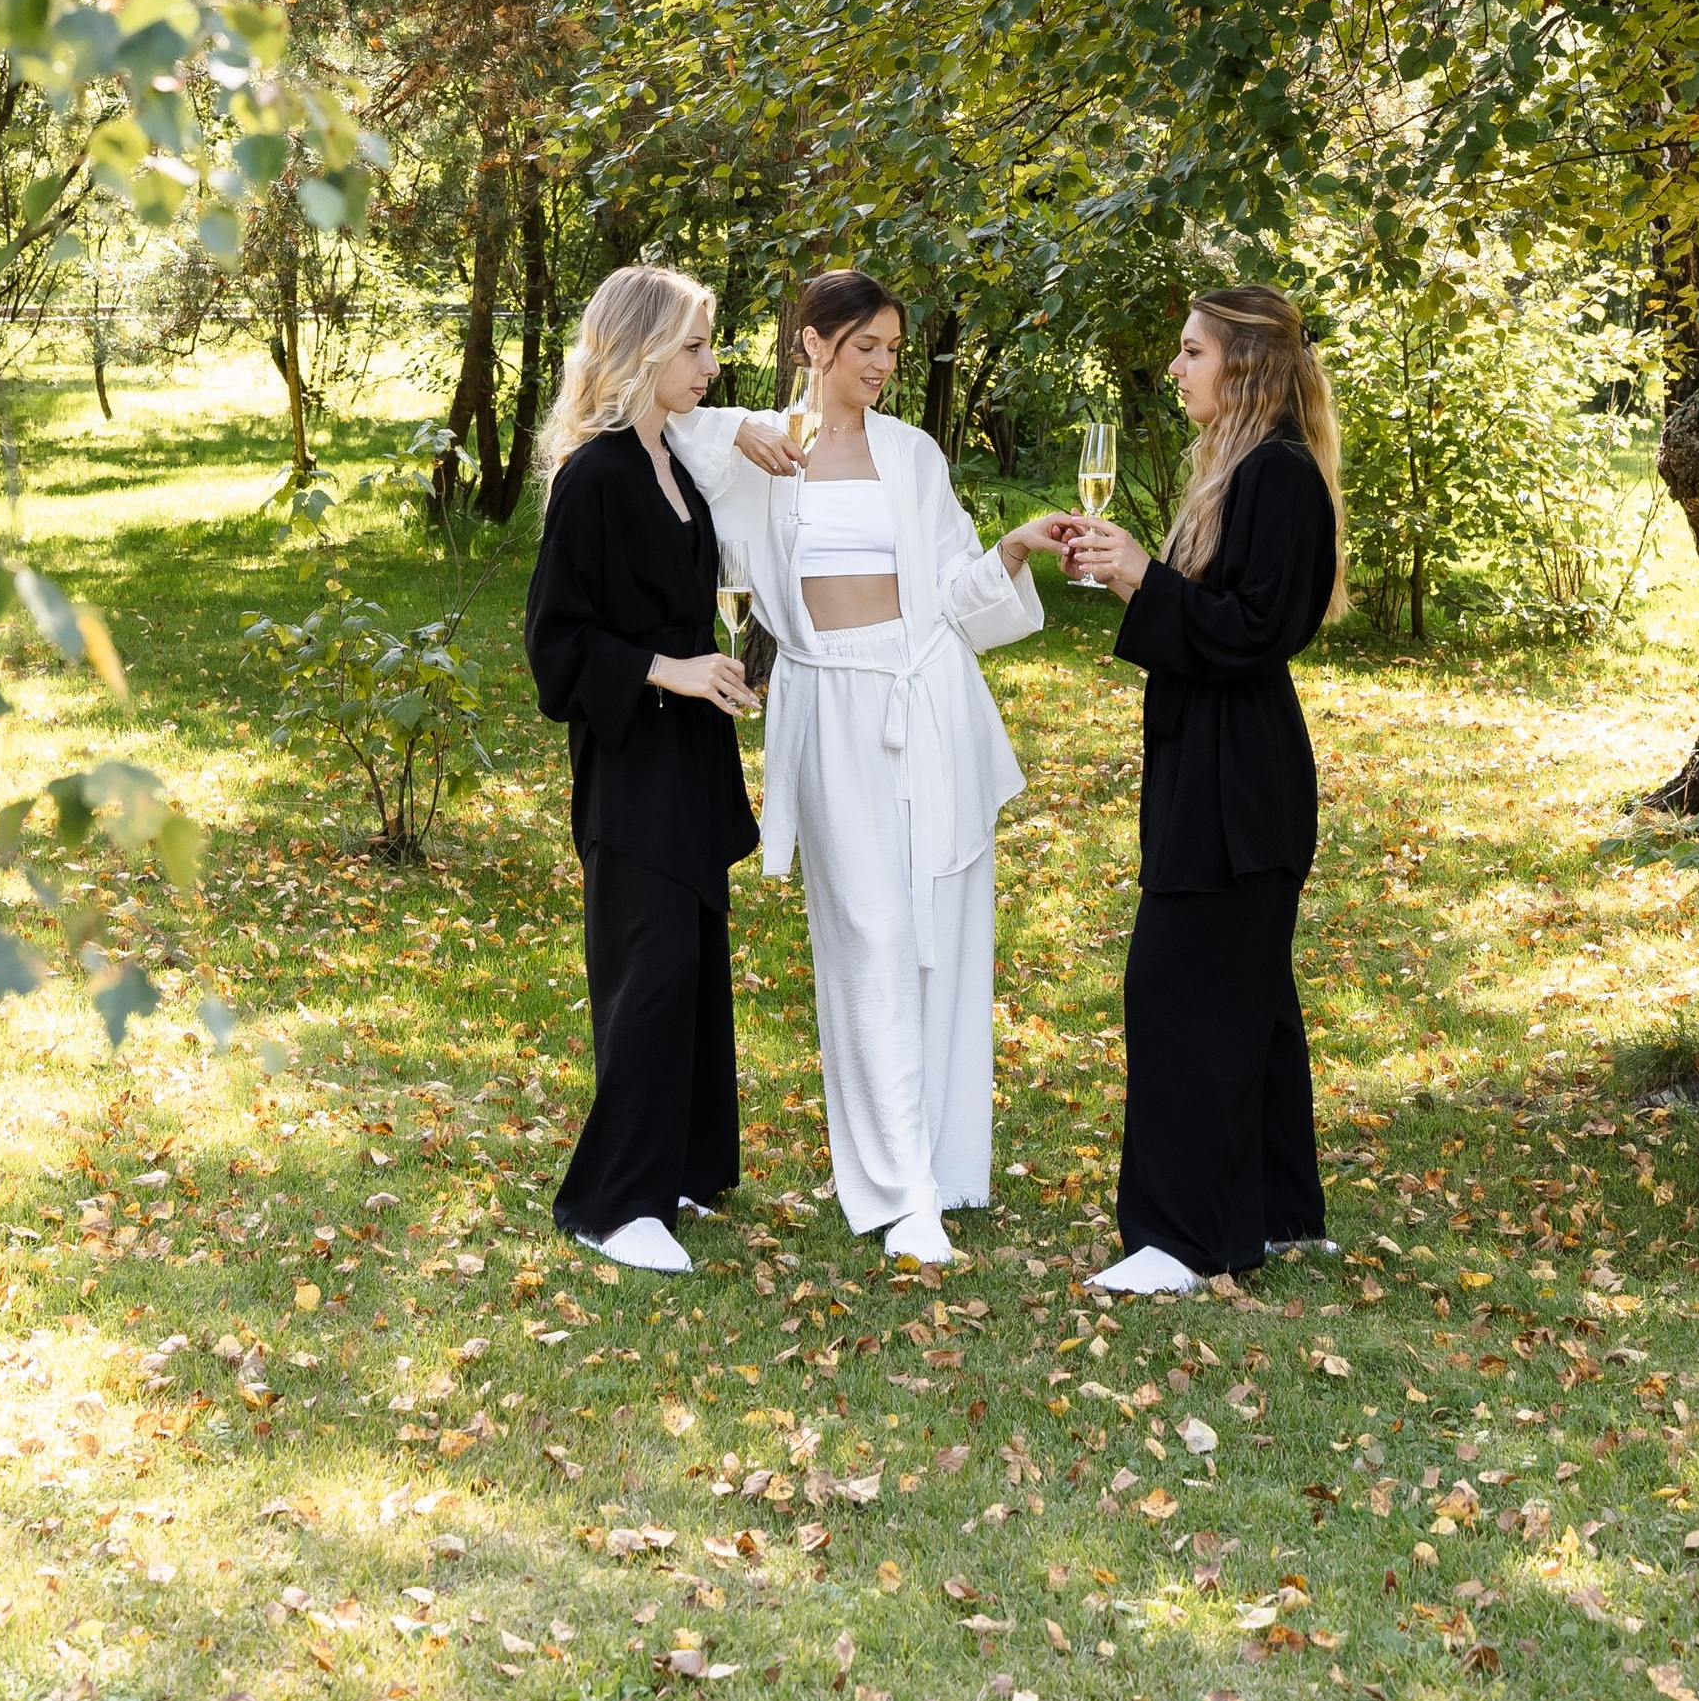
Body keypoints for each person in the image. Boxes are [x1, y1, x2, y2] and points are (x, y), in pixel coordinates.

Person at [673, 271, 1076, 1270]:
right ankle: (897, 1193)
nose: (884, 367)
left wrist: (1014, 551)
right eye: (866, 348)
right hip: (826, 708)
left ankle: (940, 1168)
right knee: (868, 934)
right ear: (812, 343)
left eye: (894, 349)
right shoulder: (757, 447)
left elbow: (947, 597)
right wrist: (739, 433)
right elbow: (644, 416)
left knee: (938, 931)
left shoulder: (912, 453)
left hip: (927, 698)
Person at [1064, 281, 1345, 1297]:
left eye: (1191, 352)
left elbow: (1256, 631)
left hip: (1239, 779)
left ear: (1246, 366)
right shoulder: (1241, 474)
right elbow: (1215, 611)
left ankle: (1180, 1242)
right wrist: (1138, 578)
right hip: (1217, 763)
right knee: (1247, 992)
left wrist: (1148, 579)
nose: (1175, 368)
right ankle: (1273, 1210)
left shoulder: (1278, 477)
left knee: (1181, 989)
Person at [523, 263, 761, 1275]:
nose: (712, 365)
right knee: (649, 972)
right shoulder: (598, 474)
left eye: (710, 344)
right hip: (630, 765)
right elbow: (555, 646)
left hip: (690, 756)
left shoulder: (672, 465)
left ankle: (671, 1170)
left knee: (693, 966)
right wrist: (671, 670)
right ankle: (613, 1204)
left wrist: (736, 665)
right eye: (697, 346)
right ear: (643, 351)